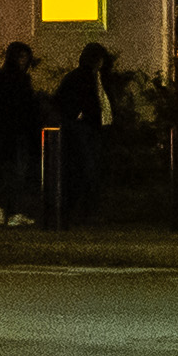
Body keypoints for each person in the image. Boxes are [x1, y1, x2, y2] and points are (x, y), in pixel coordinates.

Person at [55, 38, 121, 228]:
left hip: (96, 127)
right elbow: (64, 101)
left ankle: (85, 211)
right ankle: (82, 211)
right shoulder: (81, 77)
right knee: (86, 169)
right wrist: (77, 115)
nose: (99, 62)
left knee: (91, 169)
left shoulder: (99, 76)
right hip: (85, 128)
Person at [0, 41, 46, 225]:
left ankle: (4, 208)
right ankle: (9, 209)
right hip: (15, 133)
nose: (24, 61)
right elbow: (26, 108)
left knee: (11, 172)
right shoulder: (20, 80)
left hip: (6, 132)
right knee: (16, 172)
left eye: (26, 58)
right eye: (21, 57)